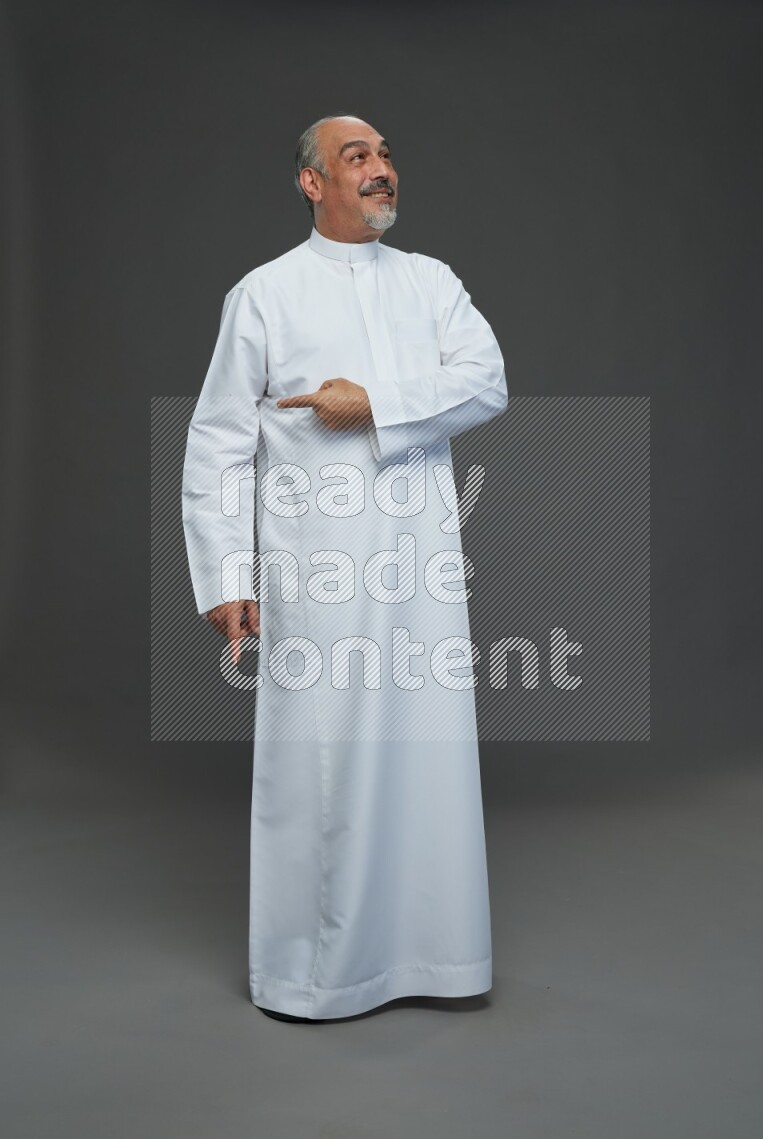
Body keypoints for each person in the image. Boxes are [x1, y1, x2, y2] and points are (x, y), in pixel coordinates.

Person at [181, 114, 508, 1022]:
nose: (379, 170)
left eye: (386, 155)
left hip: (420, 568)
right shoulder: (265, 294)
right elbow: (218, 440)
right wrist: (227, 574)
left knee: (427, 759)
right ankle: (312, 975)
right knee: (318, 763)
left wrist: (374, 403)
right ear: (312, 182)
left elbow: (487, 381)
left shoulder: (431, 282)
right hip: (315, 567)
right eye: (356, 157)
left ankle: (438, 957)